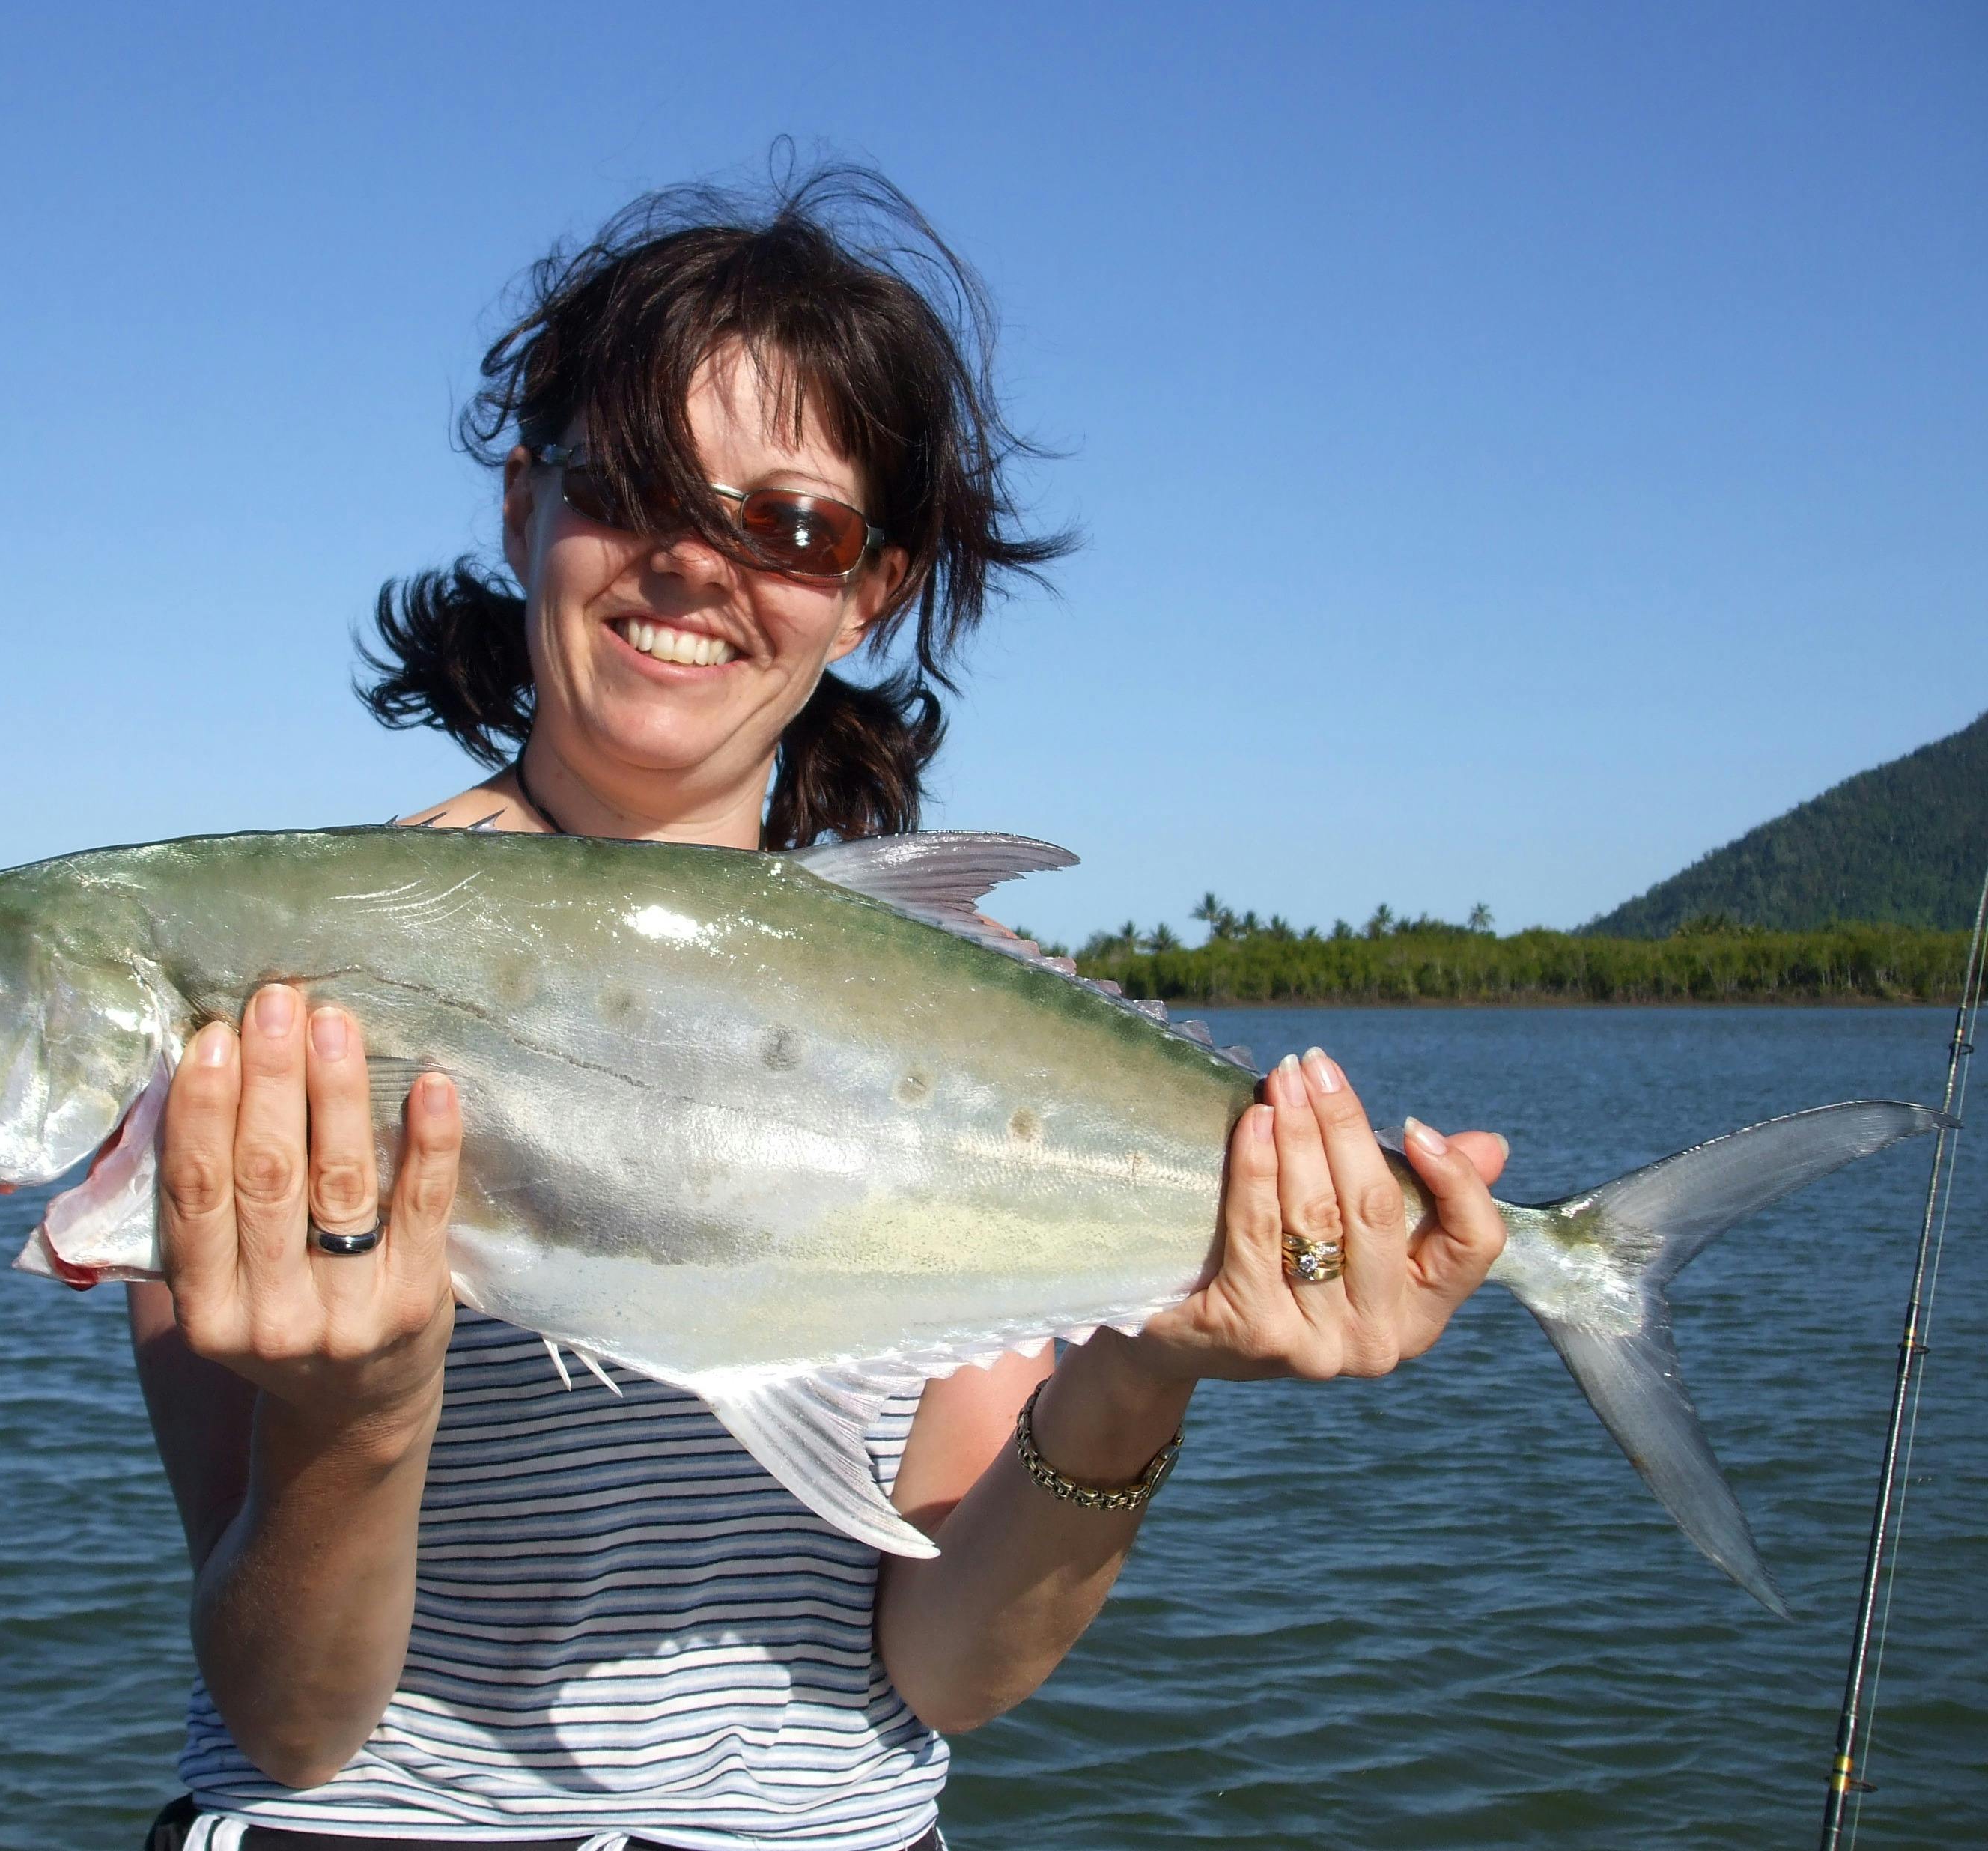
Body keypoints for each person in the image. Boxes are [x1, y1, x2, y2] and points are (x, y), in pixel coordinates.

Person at [128, 164, 1509, 1851]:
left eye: (791, 528)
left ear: (871, 592)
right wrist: (354, 1420)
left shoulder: (976, 1045)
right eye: (630, 483)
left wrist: (1143, 1370)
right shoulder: (279, 1005)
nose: (692, 563)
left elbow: (947, 1669)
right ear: (523, 505)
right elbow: (292, 1722)